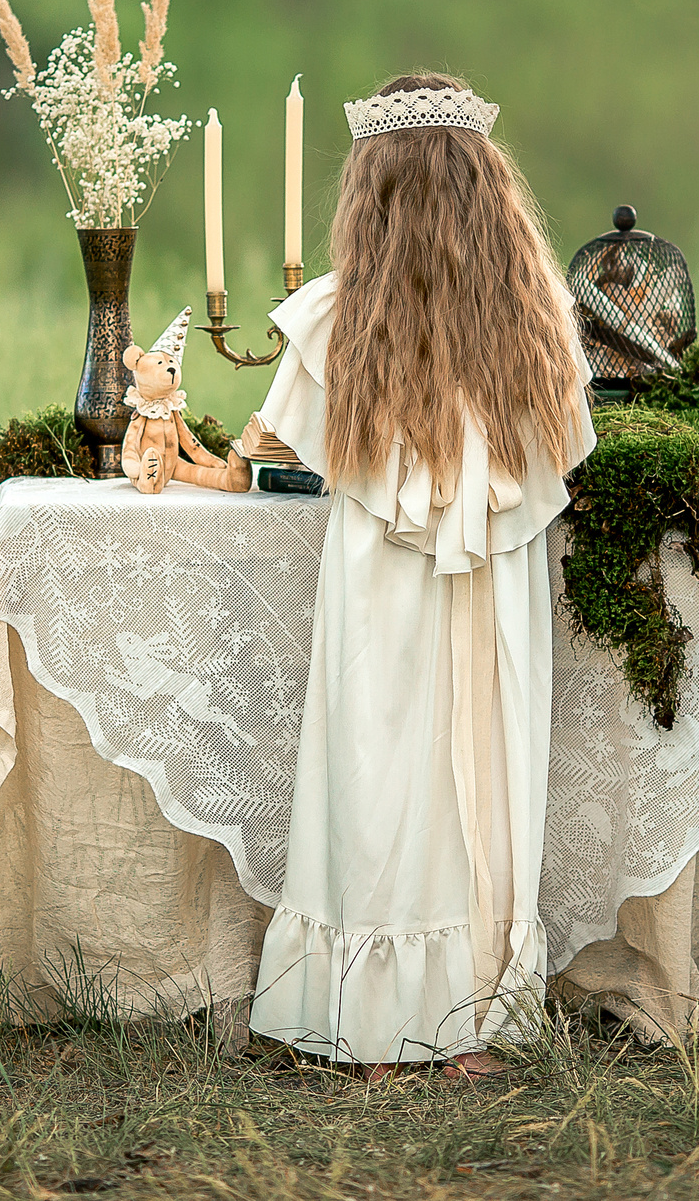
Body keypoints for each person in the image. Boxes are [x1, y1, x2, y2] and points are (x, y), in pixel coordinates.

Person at [247, 72, 596, 1080]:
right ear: (489, 189)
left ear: (371, 196)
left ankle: (400, 1022)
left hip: (385, 589)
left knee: (380, 780)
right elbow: (558, 454)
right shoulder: (538, 323)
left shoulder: (334, 322)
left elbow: (286, 448)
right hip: (490, 587)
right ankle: (454, 1022)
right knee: (483, 781)